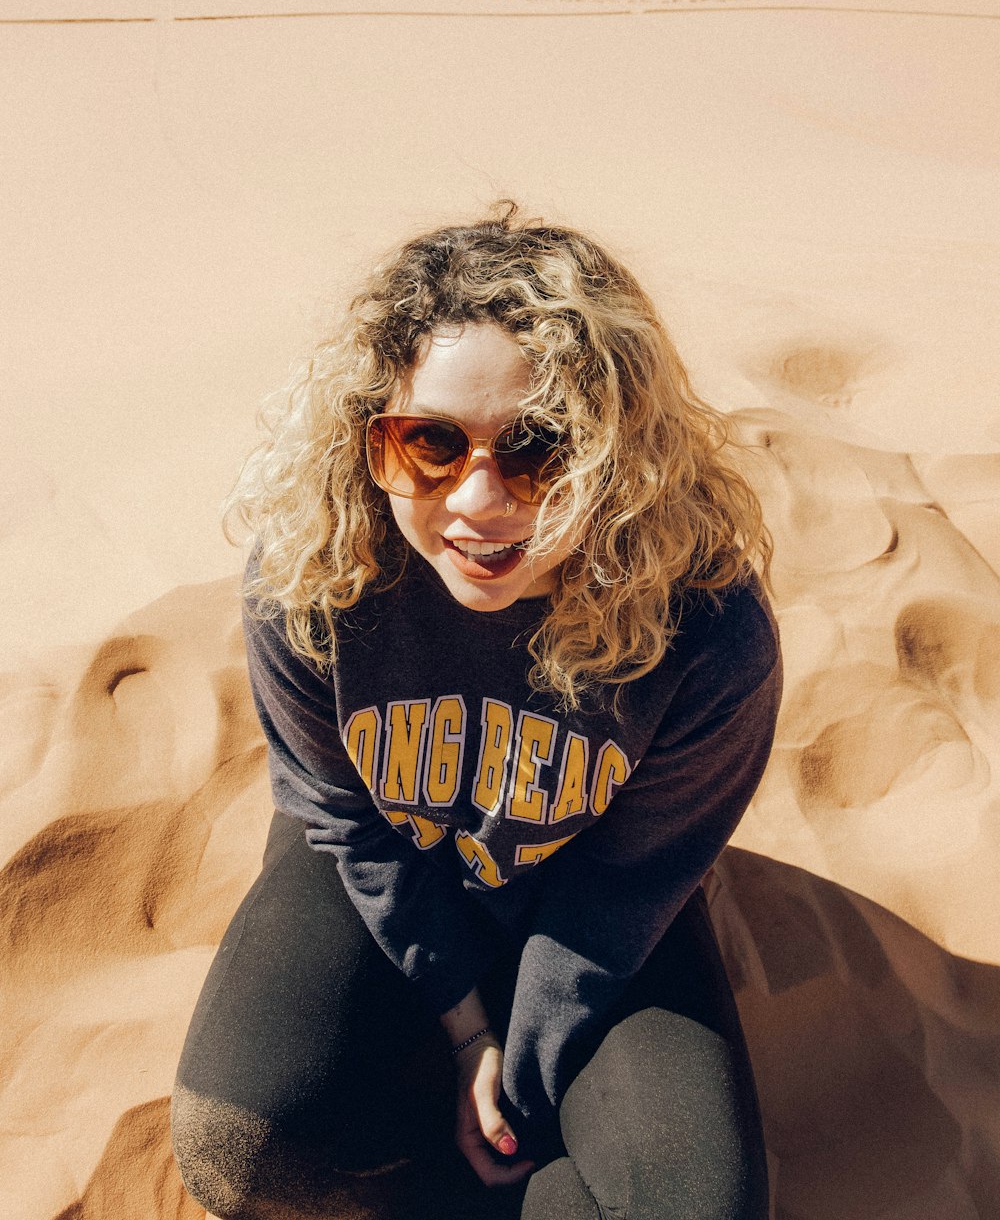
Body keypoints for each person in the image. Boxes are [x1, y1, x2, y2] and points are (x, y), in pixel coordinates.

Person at [171, 204, 781, 1220]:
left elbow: (631, 874)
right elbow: (341, 813)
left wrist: (521, 1074)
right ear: (372, 438)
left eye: (539, 446)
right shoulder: (309, 574)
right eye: (430, 443)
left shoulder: (703, 624)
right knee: (236, 1145)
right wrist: (462, 1028)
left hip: (594, 892)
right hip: (382, 860)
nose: (477, 500)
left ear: (612, 449)